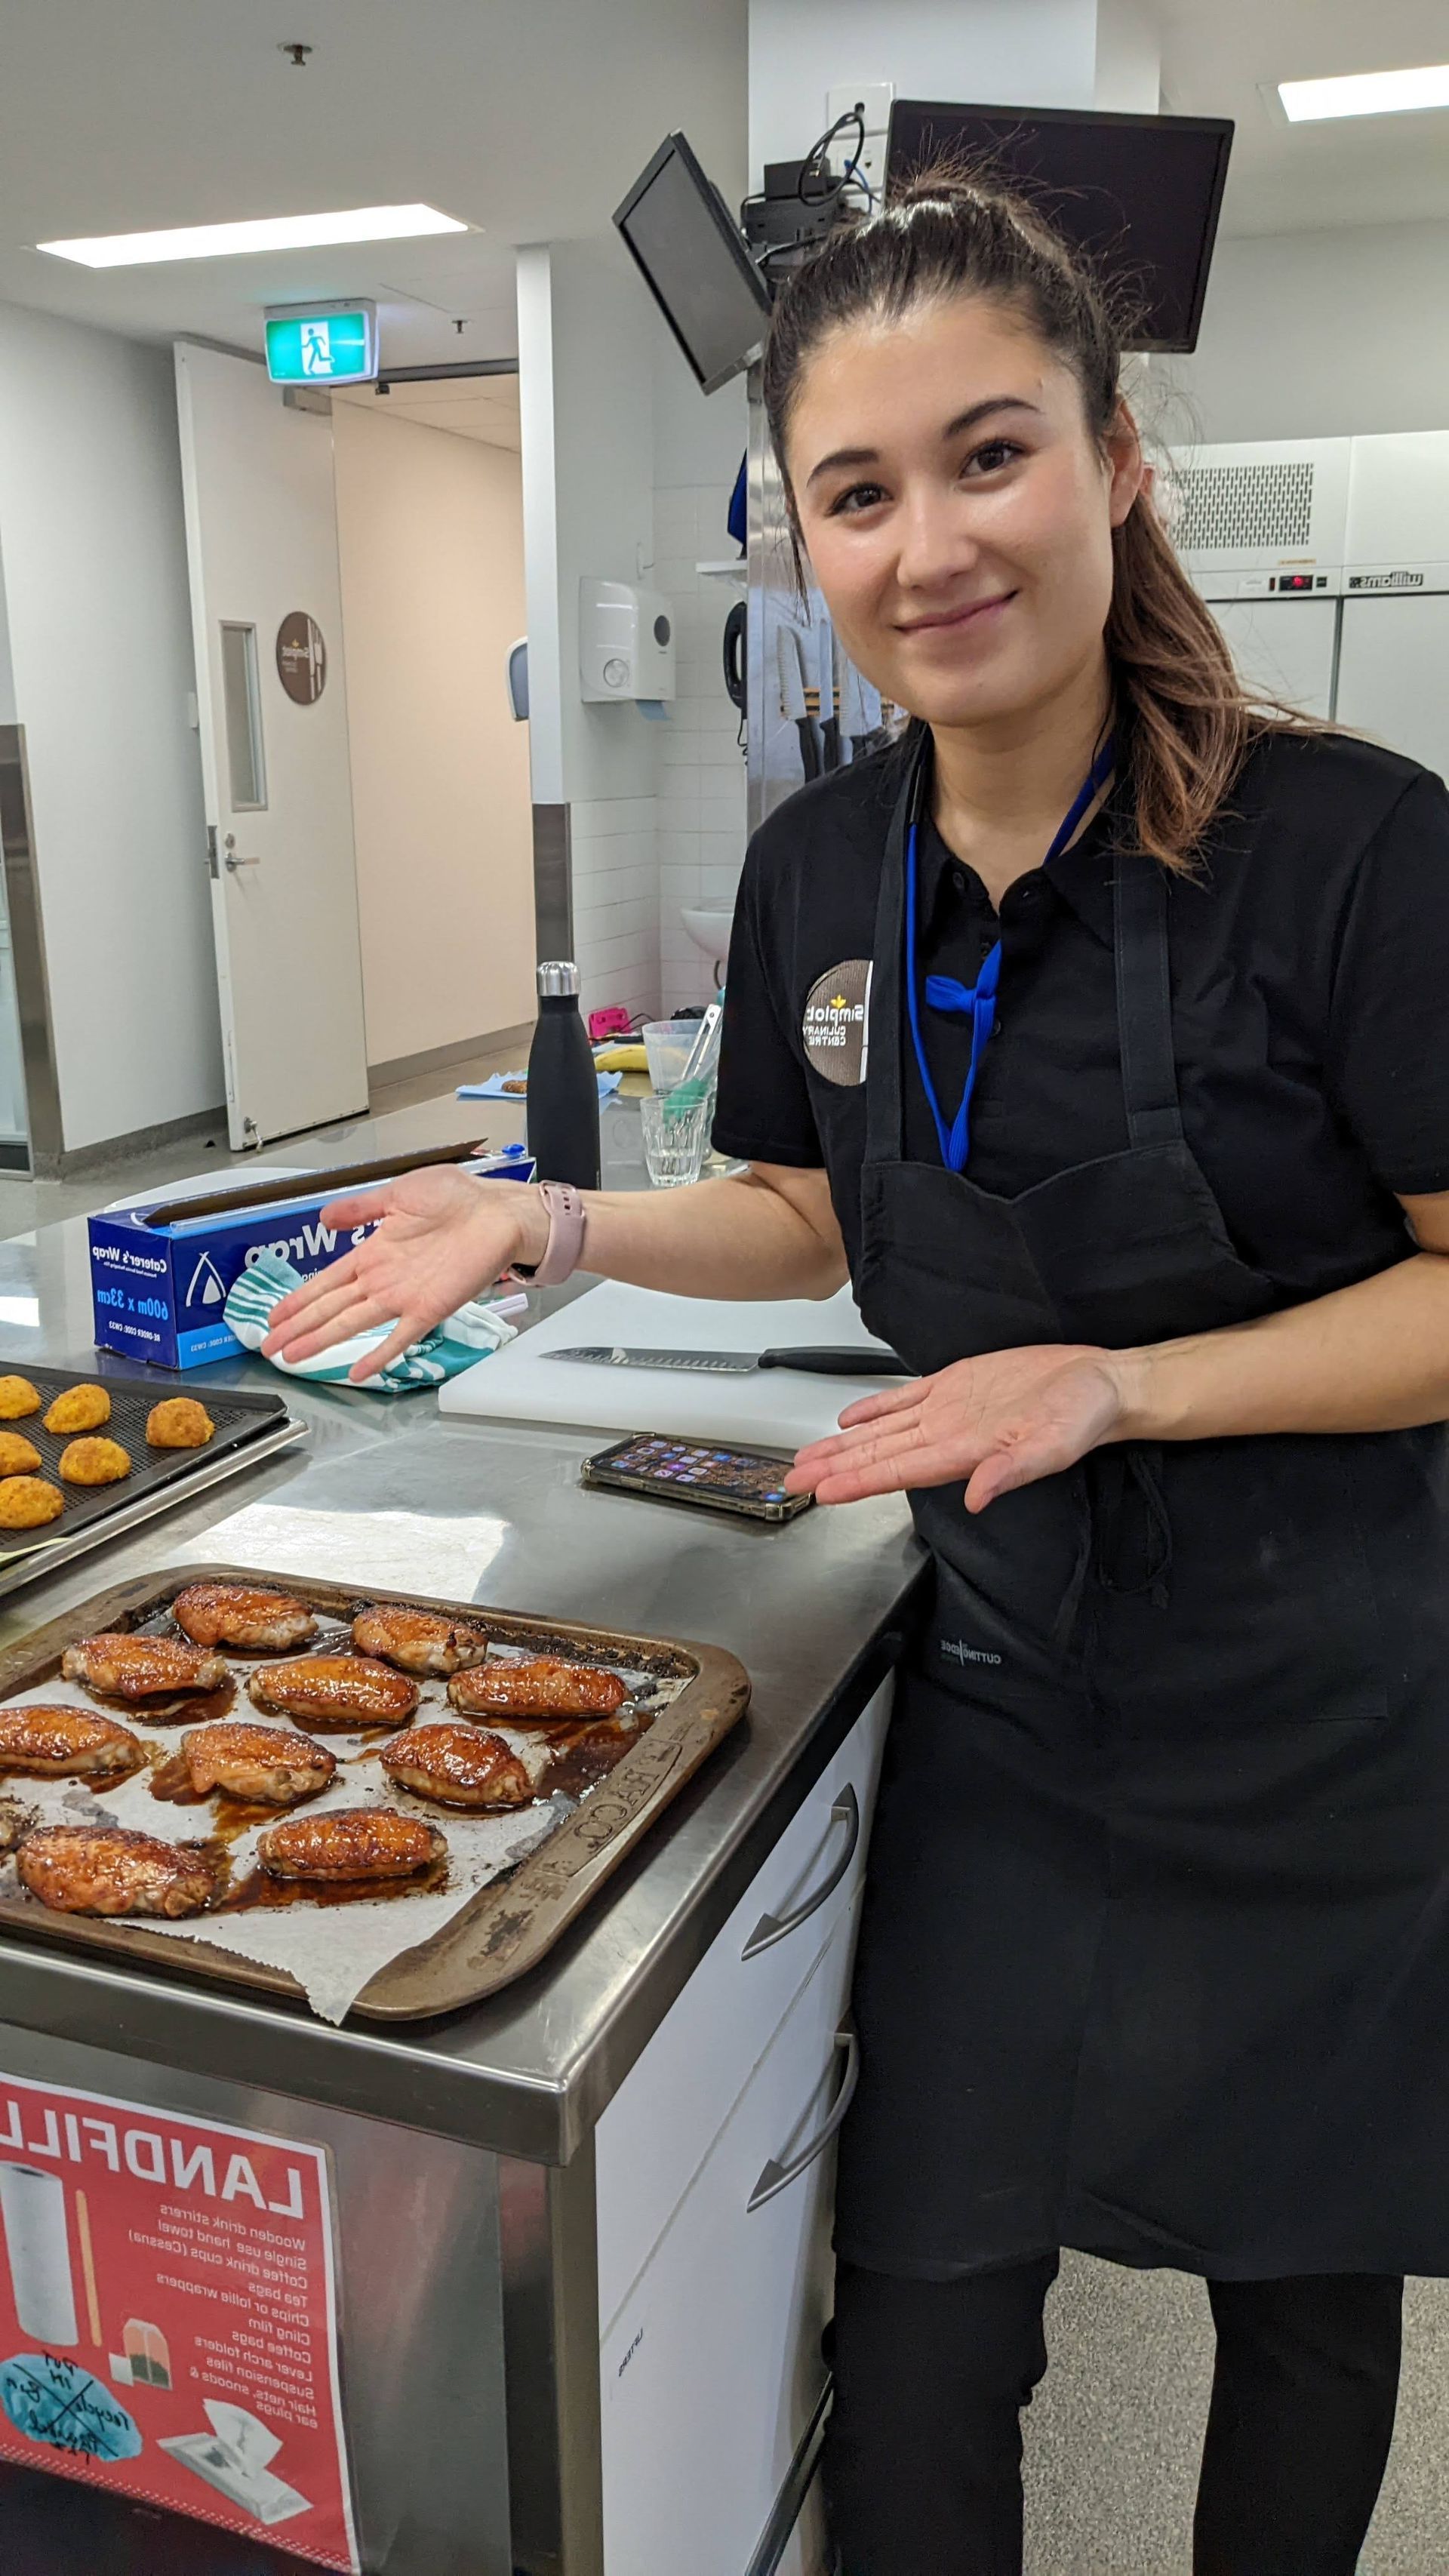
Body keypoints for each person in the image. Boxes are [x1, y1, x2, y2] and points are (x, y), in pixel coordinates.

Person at [265, 173, 1449, 2575]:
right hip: (1010, 1698)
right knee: (923, 2312)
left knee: (1306, 2310)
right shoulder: (825, 868)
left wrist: (1121, 1389)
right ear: (805, 538)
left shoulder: (1362, 853)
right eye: (860, 490)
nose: (933, 542)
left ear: (1119, 460)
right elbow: (808, 1204)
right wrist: (561, 1216)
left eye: (991, 454)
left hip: (1334, 1698)